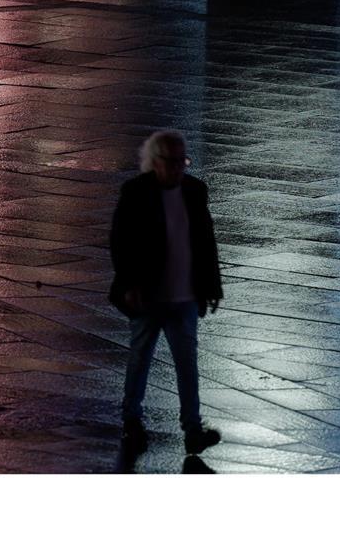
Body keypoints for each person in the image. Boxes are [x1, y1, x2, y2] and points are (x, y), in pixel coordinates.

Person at [109, 130, 223, 456]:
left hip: (184, 295)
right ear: (155, 162)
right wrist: (129, 285)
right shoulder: (135, 192)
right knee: (140, 359)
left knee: (187, 365)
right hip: (149, 296)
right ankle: (131, 418)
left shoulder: (194, 190)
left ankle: (192, 429)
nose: (178, 169)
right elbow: (121, 242)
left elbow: (205, 242)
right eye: (172, 162)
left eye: (182, 161)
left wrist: (211, 287)